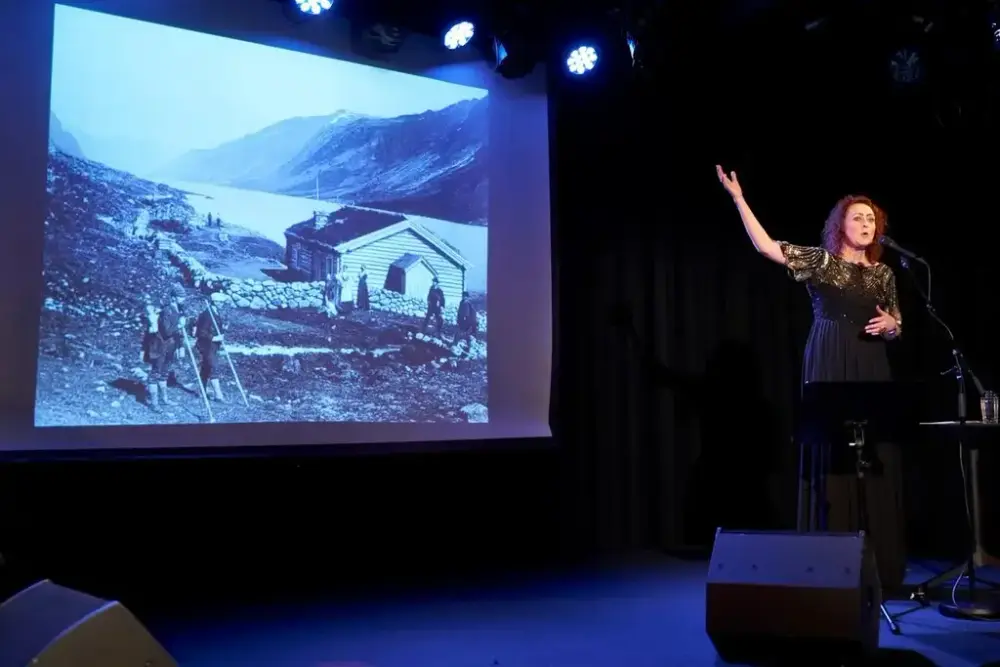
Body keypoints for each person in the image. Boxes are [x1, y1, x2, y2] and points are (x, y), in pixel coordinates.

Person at [716, 165, 907, 589]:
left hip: (873, 365)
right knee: (833, 457)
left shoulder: (884, 274)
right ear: (840, 225)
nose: (865, 223)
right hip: (830, 357)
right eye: (857, 217)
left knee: (875, 457)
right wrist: (739, 200)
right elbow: (767, 248)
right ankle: (830, 568)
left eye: (871, 219)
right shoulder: (822, 263)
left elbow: (897, 322)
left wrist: (894, 328)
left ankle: (882, 568)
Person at [194, 300, 228, 402]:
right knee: (214, 367)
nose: (222, 304)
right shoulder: (207, 315)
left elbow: (215, 329)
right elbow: (201, 332)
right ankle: (218, 395)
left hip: (213, 346)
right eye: (220, 302)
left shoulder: (215, 312)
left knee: (206, 368)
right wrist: (214, 338)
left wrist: (223, 330)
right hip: (206, 345)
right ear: (214, 302)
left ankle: (201, 391)